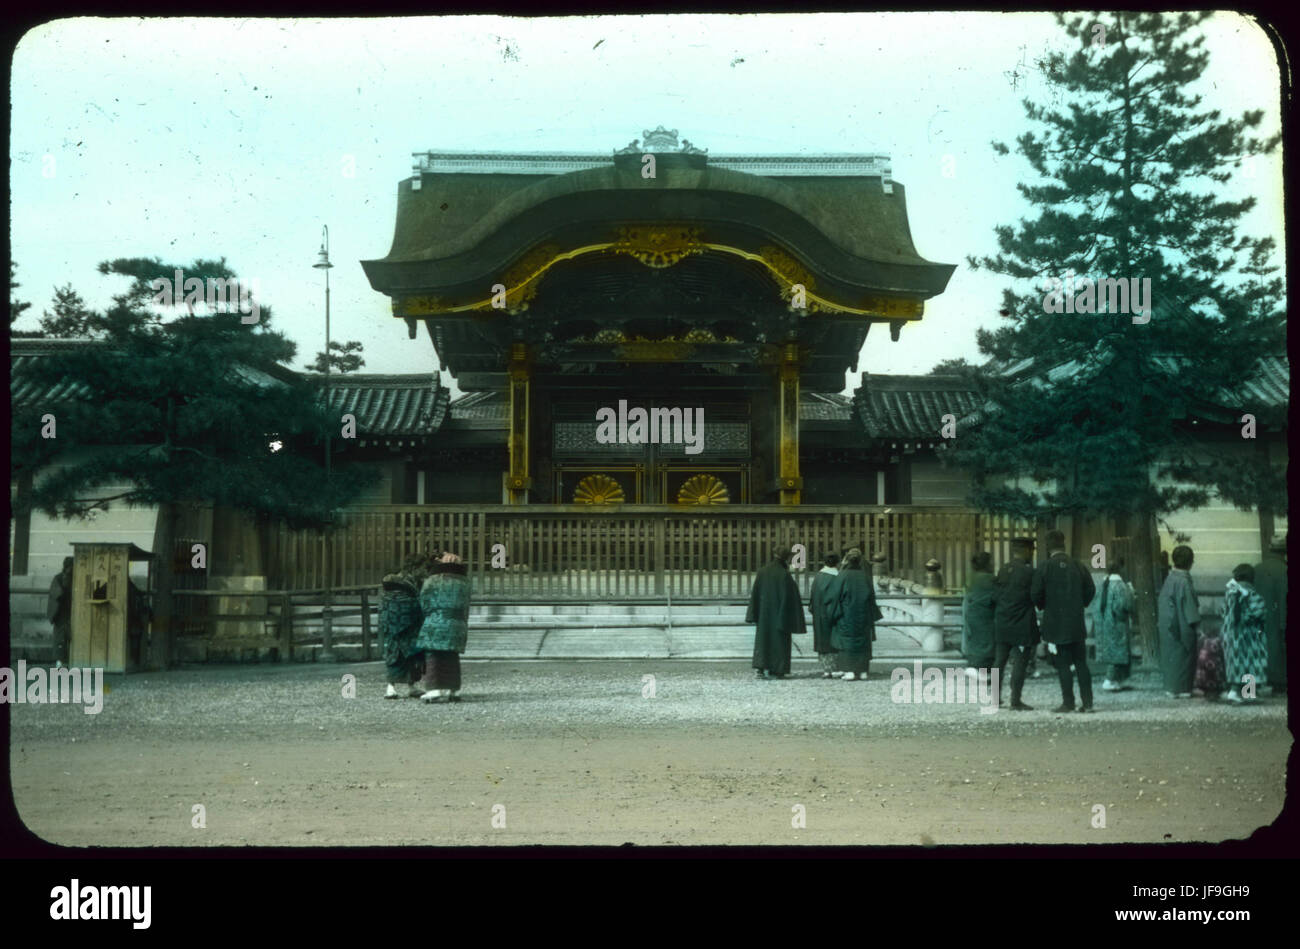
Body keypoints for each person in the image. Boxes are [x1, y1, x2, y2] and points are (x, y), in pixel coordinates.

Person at [1032, 530, 1097, 713]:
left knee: (1062, 664)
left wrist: (1044, 605)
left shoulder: (1045, 567)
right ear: (1064, 544)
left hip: (1055, 622)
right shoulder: (1077, 565)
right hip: (1076, 621)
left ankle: (1068, 702)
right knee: (1081, 663)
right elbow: (1090, 589)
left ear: (1047, 547)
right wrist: (1081, 603)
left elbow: (1035, 593)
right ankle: (1088, 702)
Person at [416, 551, 472, 703]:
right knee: (452, 657)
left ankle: (434, 690)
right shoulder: (466, 583)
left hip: (436, 621)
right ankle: (454, 690)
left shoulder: (432, 581)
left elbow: (424, 603)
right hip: (457, 623)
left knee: (433, 656)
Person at [380, 552, 434, 698]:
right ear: (415, 567)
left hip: (398, 622)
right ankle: (390, 687)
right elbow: (409, 601)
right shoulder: (403, 582)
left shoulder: (408, 580)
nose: (424, 571)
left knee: (409, 657)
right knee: (397, 656)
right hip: (405, 621)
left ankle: (411, 685)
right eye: (422, 568)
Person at [746, 545, 805, 679]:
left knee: (763, 640)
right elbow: (791, 598)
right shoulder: (784, 575)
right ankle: (778, 669)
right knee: (779, 642)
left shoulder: (762, 571)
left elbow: (756, 593)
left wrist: (753, 614)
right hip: (780, 615)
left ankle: (760, 668)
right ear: (786, 558)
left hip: (764, 614)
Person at [993, 537, 1038, 710]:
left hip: (1003, 622)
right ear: (1026, 551)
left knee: (999, 661)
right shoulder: (1029, 573)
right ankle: (1015, 700)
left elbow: (995, 595)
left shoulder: (1003, 569)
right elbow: (1035, 597)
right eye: (1031, 551)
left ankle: (995, 699)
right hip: (1022, 624)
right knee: (1020, 662)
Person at [826, 548, 881, 681]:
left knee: (847, 641)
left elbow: (833, 597)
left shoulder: (842, 576)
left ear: (847, 560)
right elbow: (871, 597)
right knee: (863, 641)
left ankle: (849, 671)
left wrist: (832, 614)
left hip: (846, 615)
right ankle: (863, 671)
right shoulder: (864, 576)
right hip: (863, 615)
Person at [1221, 563, 1269, 705]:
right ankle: (1247, 692)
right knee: (1251, 663)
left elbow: (1222, 612)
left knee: (1235, 663)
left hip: (1232, 636)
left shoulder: (1229, 595)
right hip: (1250, 637)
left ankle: (1235, 691)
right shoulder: (1253, 595)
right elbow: (1259, 613)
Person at [1157, 545, 1200, 698]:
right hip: (1181, 625)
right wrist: (1196, 625)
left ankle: (1171, 687)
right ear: (1190, 562)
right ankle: (1183, 689)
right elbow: (1189, 608)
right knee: (1184, 657)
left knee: (1172, 657)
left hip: (1168, 624)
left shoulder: (1170, 578)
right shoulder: (1184, 581)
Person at [1094, 559, 1134, 692]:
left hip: (1105, 622)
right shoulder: (1121, 585)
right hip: (1117, 622)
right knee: (1117, 651)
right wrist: (1131, 593)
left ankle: (1116, 680)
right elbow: (1124, 605)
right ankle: (1109, 680)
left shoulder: (1103, 584)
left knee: (1111, 650)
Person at [1254, 534, 1287, 697]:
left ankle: (1253, 687)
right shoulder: (1285, 570)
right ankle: (1279, 683)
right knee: (1277, 650)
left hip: (1257, 618)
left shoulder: (1256, 569)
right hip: (1278, 617)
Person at [961, 551, 997, 686]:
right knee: (987, 642)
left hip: (972, 613)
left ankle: (975, 668)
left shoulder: (972, 578)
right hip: (986, 614)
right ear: (987, 564)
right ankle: (978, 670)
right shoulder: (990, 579)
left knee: (975, 641)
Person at [809, 552, 841, 678]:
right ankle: (835, 668)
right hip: (834, 614)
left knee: (822, 641)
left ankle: (826, 669)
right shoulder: (838, 577)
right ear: (837, 563)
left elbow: (812, 598)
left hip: (819, 614)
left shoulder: (818, 577)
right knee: (834, 640)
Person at [46, 557, 74, 667]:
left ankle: (66, 660)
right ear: (66, 567)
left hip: (70, 610)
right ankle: (60, 661)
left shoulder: (73, 578)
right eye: (70, 567)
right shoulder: (58, 578)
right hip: (61, 611)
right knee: (60, 637)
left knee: (69, 635)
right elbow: (56, 594)